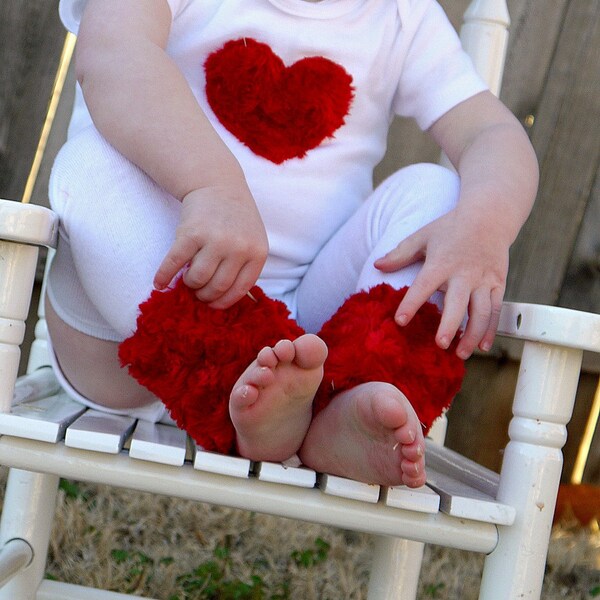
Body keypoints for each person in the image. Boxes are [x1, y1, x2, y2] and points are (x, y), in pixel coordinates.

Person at [46, 0, 538, 488]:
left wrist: (483, 228)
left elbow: (489, 130)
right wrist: (211, 186)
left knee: (442, 194)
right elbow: (112, 52)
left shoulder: (400, 14)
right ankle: (246, 396)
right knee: (89, 165)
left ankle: (346, 402)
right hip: (137, 323)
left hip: (307, 343)